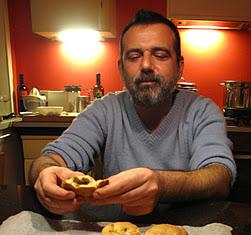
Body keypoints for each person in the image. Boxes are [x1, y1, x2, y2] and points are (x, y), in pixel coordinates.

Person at [29, 9, 236, 217]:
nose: (146, 65)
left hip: (189, 233)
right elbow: (51, 159)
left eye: (160, 55)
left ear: (179, 67)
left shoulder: (202, 111)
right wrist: (46, 173)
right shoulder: (104, 110)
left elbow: (219, 178)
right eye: (134, 56)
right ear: (121, 68)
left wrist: (160, 184)